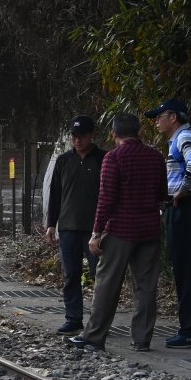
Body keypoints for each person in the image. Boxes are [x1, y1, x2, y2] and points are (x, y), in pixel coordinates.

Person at [69, 113, 167, 352]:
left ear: (113, 134)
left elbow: (106, 200)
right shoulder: (156, 157)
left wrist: (96, 233)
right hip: (150, 229)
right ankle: (142, 339)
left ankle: (94, 337)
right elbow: (162, 196)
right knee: (145, 285)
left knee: (107, 284)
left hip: (121, 230)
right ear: (140, 132)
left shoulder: (113, 158)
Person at [44, 116, 105, 335]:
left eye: (82, 136)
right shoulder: (63, 161)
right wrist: (51, 223)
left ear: (91, 135)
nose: (77, 140)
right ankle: (73, 317)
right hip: (68, 226)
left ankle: (99, 321)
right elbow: (55, 194)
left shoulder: (103, 158)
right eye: (74, 136)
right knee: (71, 274)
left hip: (95, 228)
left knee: (100, 275)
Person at [149, 98, 191, 348]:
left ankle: (189, 330)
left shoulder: (184, 137)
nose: (157, 121)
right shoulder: (180, 138)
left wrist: (183, 191)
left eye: (160, 116)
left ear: (174, 118)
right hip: (179, 209)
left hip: (185, 211)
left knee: (186, 270)